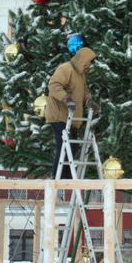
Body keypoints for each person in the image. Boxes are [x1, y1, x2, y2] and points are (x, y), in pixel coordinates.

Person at [46, 47, 97, 178]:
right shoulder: (66, 69)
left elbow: (84, 91)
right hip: (59, 115)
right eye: (89, 62)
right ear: (83, 60)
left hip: (71, 118)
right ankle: (59, 176)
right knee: (64, 145)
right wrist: (66, 98)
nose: (90, 65)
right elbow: (54, 85)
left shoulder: (80, 75)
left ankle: (67, 175)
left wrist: (89, 101)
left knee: (72, 147)